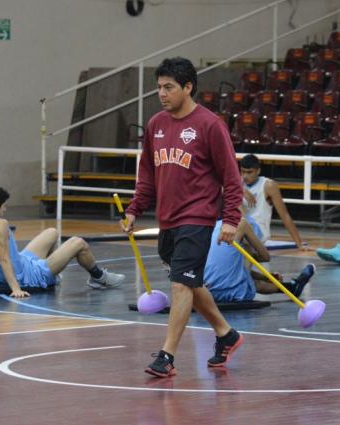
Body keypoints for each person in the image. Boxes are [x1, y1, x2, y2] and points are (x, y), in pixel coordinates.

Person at [121, 57, 244, 378]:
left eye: (169, 87)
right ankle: (226, 334)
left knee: (180, 286)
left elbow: (232, 178)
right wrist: (135, 208)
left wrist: (230, 218)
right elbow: (146, 174)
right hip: (168, 219)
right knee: (190, 282)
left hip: (198, 218)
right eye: (159, 87)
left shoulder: (210, 125)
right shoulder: (155, 125)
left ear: (188, 87)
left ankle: (167, 355)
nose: (162, 94)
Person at [0, 185, 125, 298]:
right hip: (27, 277)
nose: (5, 209)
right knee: (78, 243)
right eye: (4, 205)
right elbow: (3, 260)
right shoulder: (0, 225)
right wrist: (16, 289)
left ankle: (53, 275)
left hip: (21, 263)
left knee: (51, 232)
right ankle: (98, 277)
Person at [204, 215, 316, 303]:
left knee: (229, 263)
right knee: (247, 249)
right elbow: (266, 257)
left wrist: (264, 276)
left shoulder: (201, 228)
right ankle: (291, 287)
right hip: (233, 292)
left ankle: (291, 287)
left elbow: (224, 268)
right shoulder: (241, 223)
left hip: (205, 294)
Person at [239, 154, 309, 250]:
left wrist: (299, 243)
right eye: (242, 172)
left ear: (258, 171)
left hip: (258, 231)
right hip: (240, 227)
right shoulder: (237, 183)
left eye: (249, 172)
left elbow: (284, 215)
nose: (245, 176)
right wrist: (240, 189)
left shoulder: (269, 185)